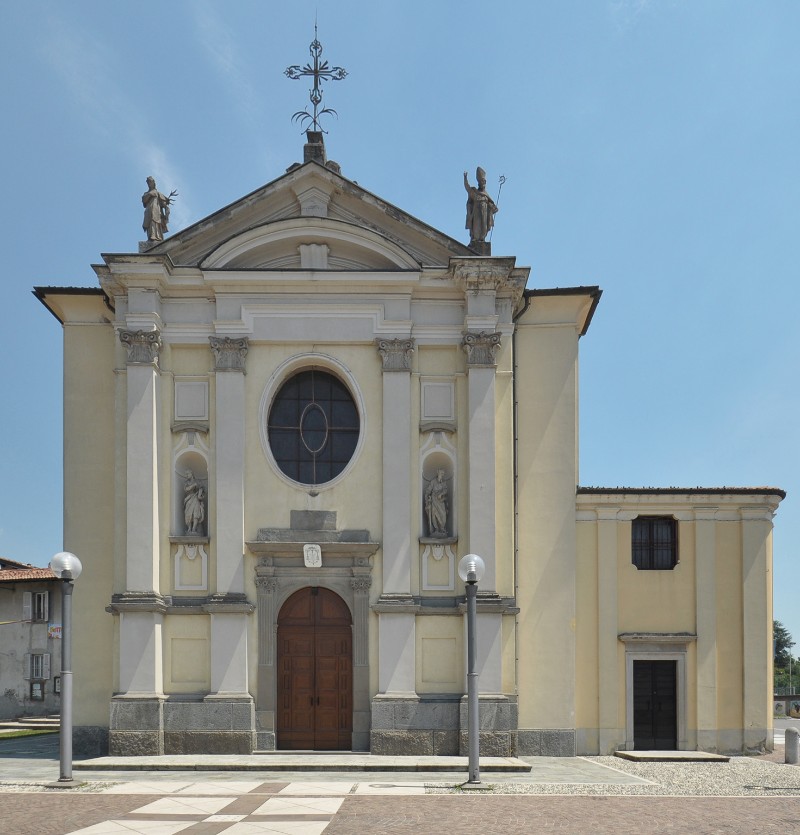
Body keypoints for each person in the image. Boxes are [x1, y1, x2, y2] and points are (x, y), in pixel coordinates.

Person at [464, 167, 498, 244]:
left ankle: (482, 239)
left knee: (484, 227)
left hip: (484, 212)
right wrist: (465, 179)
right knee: (476, 225)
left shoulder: (486, 195)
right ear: (479, 183)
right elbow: (467, 188)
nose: (483, 183)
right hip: (476, 212)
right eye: (481, 182)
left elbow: (491, 205)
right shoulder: (474, 192)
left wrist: (493, 208)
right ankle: (475, 239)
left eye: (484, 182)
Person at [142, 176, 174, 242]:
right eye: (148, 182)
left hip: (156, 211)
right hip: (148, 211)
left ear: (153, 183)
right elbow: (144, 201)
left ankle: (156, 237)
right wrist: (150, 194)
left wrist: (166, 211)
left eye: (150, 182)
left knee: (155, 222)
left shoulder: (157, 193)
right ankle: (151, 236)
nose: (149, 184)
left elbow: (164, 204)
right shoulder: (146, 194)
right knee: (150, 223)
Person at [425, 469, 449, 537]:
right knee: (434, 514)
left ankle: (442, 528)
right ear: (438, 472)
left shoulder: (444, 482)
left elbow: (446, 490)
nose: (442, 474)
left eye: (443, 473)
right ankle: (436, 529)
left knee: (443, 514)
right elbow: (428, 490)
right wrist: (427, 499)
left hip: (441, 501)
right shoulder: (433, 482)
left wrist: (441, 494)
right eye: (441, 472)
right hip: (434, 500)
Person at [184, 470, 205, 536]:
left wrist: (200, 493)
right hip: (189, 499)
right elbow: (186, 489)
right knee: (188, 513)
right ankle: (189, 528)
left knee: (196, 513)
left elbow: (202, 489)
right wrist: (193, 485)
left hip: (196, 498)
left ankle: (194, 528)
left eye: (188, 474)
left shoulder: (198, 481)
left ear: (191, 474)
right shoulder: (186, 483)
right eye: (186, 474)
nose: (187, 476)